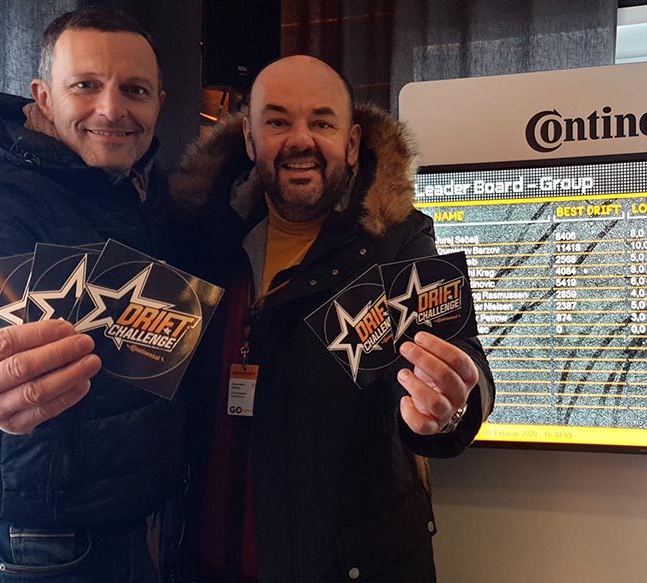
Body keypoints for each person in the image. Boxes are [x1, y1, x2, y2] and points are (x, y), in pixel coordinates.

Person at [168, 56, 495, 582]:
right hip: (205, 562)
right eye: (278, 121)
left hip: (348, 568)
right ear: (250, 140)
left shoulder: (398, 240)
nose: (301, 140)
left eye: (322, 122)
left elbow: (462, 362)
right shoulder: (199, 237)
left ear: (352, 142)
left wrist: (451, 405)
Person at [0, 9, 183, 582]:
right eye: (85, 85)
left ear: (159, 103)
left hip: (123, 526)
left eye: (134, 90)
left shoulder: (137, 186)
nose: (111, 108)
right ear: (43, 96)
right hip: (31, 546)